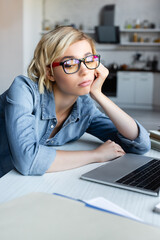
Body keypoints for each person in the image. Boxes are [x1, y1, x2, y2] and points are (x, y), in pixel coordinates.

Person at [0, 26, 150, 177]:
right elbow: (28, 160)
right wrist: (95, 155)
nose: (85, 71)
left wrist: (98, 94)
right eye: (70, 64)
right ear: (49, 72)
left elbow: (140, 145)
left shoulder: (85, 108)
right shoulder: (24, 91)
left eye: (89, 60)